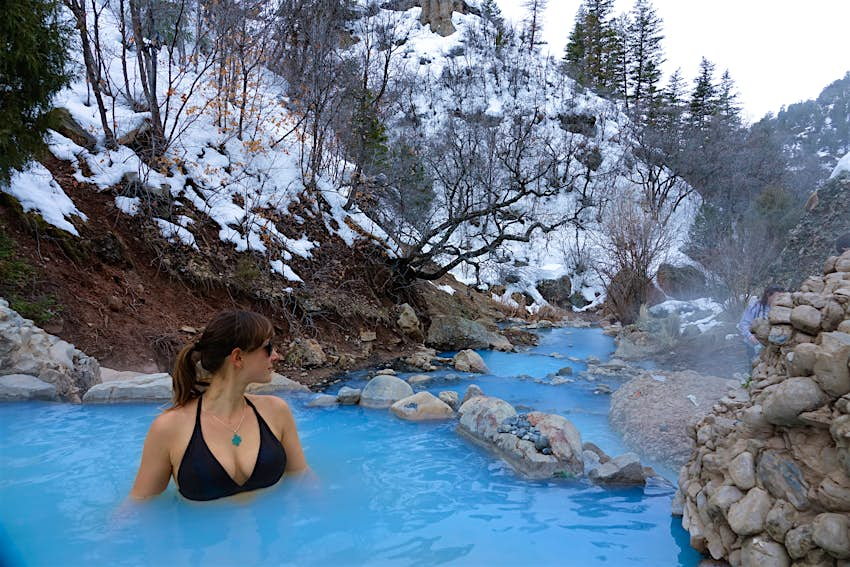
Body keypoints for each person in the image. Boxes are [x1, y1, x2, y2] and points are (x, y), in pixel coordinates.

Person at [130, 310, 308, 501]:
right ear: (238, 357)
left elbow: (302, 478)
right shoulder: (169, 428)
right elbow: (140, 505)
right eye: (268, 347)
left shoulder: (276, 411)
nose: (276, 356)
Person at [737, 284, 783, 360]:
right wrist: (750, 336)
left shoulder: (781, 309)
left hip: (772, 346)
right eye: (777, 296)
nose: (780, 299)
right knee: (754, 365)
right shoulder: (755, 307)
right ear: (768, 295)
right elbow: (744, 323)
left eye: (782, 297)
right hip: (753, 344)